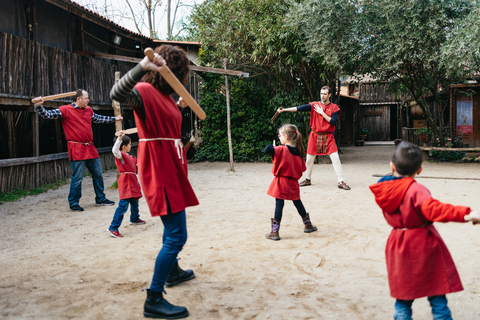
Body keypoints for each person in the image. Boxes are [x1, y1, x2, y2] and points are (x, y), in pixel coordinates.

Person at [110, 45, 197, 319]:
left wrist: (177, 106)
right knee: (176, 235)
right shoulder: (146, 92)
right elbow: (116, 95)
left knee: (173, 229)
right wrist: (142, 67)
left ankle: (172, 270)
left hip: (172, 165)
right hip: (159, 167)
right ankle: (154, 298)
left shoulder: (168, 97)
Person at [369, 141, 480, 320]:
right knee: (437, 295)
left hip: (398, 245)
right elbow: (436, 209)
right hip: (423, 245)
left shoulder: (384, 189)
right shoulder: (415, 190)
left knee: (403, 300)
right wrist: (466, 214)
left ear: (392, 166)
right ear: (420, 169)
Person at [32, 90, 122, 211]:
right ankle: (74, 202)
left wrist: (115, 119)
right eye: (86, 98)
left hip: (90, 147)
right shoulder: (65, 110)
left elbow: (99, 118)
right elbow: (47, 115)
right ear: (78, 99)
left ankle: (100, 198)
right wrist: (39, 106)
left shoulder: (88, 110)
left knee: (98, 174)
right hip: (77, 148)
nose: (88, 100)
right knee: (77, 178)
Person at [276, 86, 350, 190]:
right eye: (321, 93)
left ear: (329, 95)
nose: (322, 96)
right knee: (309, 159)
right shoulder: (314, 105)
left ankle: (340, 181)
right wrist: (284, 110)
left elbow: (333, 121)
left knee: (335, 158)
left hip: (328, 136)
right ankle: (307, 179)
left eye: (325, 94)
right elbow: (299, 108)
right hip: (314, 135)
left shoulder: (334, 107)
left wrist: (322, 112)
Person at [264, 124, 317, 241]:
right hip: (293, 182)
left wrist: (273, 148)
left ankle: (275, 232)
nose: (279, 137)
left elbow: (267, 149)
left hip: (280, 182)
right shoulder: (299, 152)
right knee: (298, 203)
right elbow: (302, 168)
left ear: (287, 137)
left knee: (279, 205)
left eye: (280, 135)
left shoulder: (280, 149)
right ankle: (308, 225)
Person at [107, 132, 145, 238]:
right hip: (126, 181)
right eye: (129, 144)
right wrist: (119, 138)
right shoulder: (120, 155)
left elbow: (139, 164)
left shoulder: (131, 157)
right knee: (123, 205)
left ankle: (134, 218)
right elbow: (114, 150)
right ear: (124, 146)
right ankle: (113, 227)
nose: (130, 146)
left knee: (134, 200)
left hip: (132, 180)